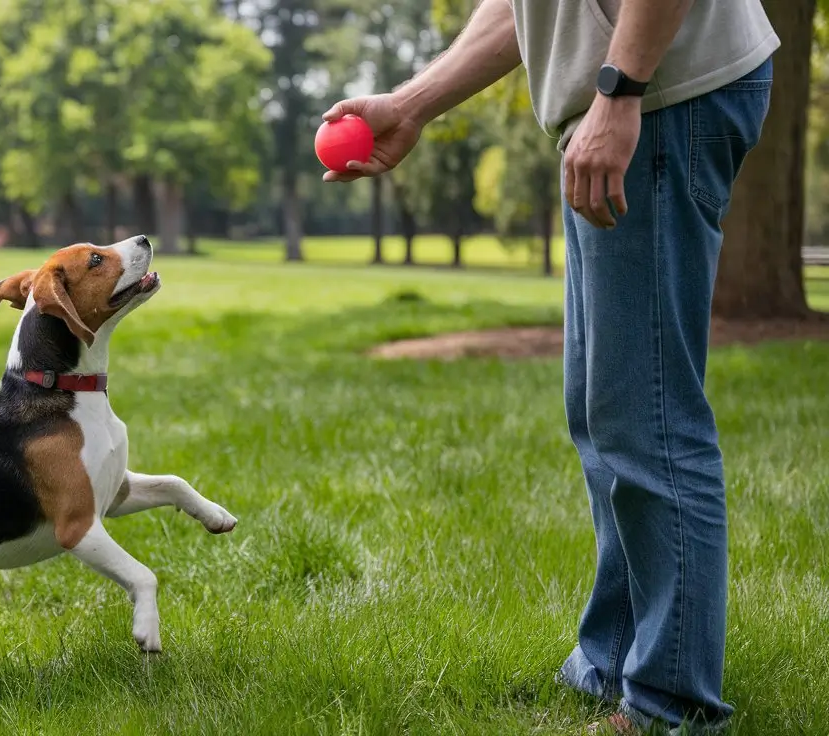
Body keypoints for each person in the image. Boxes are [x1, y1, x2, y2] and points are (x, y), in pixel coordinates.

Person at [322, 1, 779, 733]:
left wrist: (620, 91)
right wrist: (410, 105)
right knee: (603, 414)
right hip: (624, 99)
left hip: (660, 95)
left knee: (648, 415)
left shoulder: (632, 94)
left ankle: (671, 706)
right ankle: (614, 661)